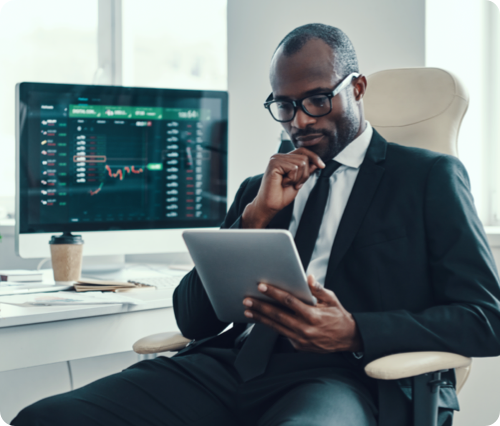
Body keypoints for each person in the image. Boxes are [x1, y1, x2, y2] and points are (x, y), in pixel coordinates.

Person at [12, 23, 500, 426]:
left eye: (316, 100)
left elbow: (486, 319)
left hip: (340, 377)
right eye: (284, 106)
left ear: (357, 88)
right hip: (230, 366)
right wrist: (254, 218)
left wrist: (354, 331)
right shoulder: (261, 187)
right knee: (47, 418)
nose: (299, 122)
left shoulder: (426, 177)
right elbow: (193, 319)